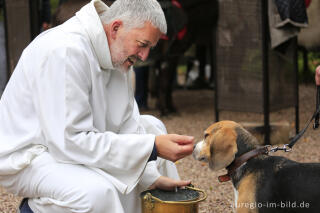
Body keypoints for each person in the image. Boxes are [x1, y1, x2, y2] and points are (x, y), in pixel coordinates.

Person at [0, 0, 194, 212]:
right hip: (30, 155)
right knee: (98, 194)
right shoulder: (65, 50)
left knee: (152, 126)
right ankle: (36, 208)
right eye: (142, 44)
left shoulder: (118, 52)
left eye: (150, 48)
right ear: (116, 28)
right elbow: (69, 142)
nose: (144, 56)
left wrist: (151, 178)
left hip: (67, 144)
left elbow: (128, 126)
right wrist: (153, 147)